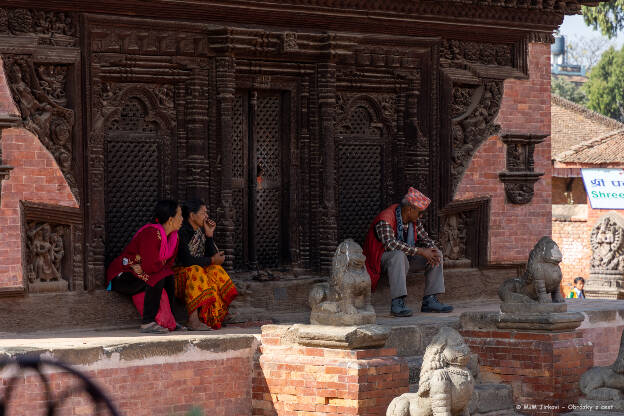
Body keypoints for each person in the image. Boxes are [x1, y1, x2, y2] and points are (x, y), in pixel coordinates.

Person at [363, 187, 453, 317]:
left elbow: (426, 239)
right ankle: (397, 302)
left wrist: (432, 250)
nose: (421, 216)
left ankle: (430, 300)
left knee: (436, 254)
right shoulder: (385, 218)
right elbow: (390, 244)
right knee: (398, 256)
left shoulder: (413, 221)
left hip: (405, 259)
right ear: (410, 210)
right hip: (378, 261)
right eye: (420, 213)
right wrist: (420, 251)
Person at [107, 200, 187, 333]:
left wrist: (160, 268)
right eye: (180, 215)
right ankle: (147, 322)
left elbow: (168, 265)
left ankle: (171, 320)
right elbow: (150, 267)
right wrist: (158, 268)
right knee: (160, 275)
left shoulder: (174, 238)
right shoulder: (151, 233)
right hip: (123, 276)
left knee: (168, 276)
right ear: (171, 219)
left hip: (141, 274)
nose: (182, 219)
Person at [174, 199, 238, 330]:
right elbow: (187, 261)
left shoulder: (201, 231)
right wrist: (211, 260)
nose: (207, 216)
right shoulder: (182, 232)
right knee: (196, 270)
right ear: (192, 216)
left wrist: (209, 235)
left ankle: (219, 313)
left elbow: (213, 256)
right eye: (203, 213)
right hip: (178, 277)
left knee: (215, 270)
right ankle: (193, 320)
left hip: (198, 275)